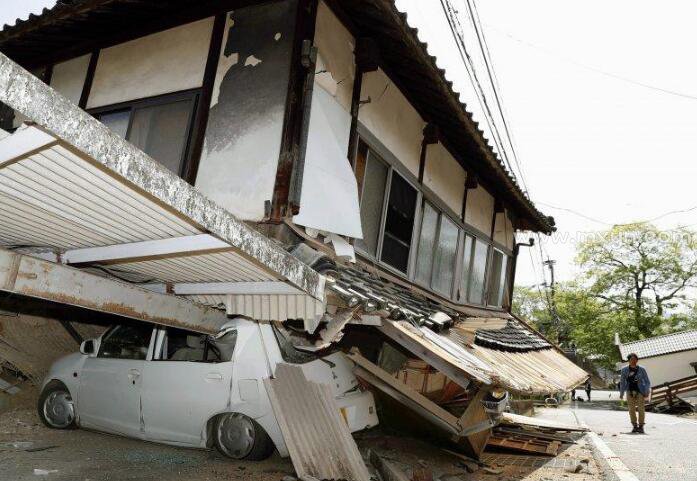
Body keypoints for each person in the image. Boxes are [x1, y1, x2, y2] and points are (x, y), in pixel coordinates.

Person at [619, 353, 651, 434]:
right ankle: (634, 425)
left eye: (635, 359)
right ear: (628, 360)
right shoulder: (624, 370)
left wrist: (647, 391)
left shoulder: (642, 369)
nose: (633, 361)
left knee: (641, 409)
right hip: (629, 390)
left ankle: (641, 426)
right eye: (631, 359)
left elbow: (647, 381)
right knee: (631, 409)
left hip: (640, 391)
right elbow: (622, 382)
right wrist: (621, 393)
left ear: (637, 360)